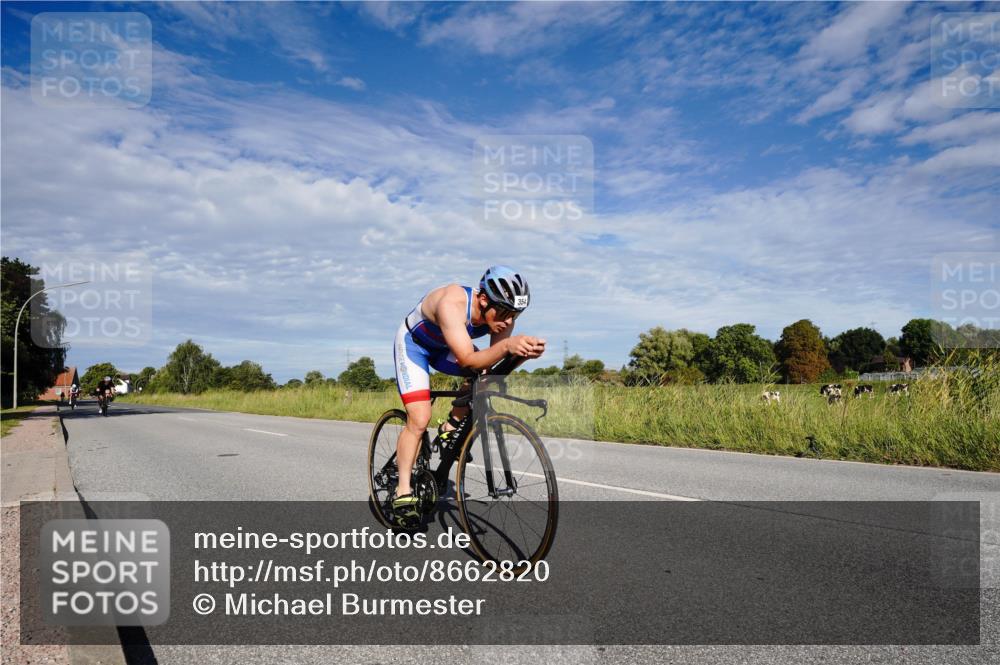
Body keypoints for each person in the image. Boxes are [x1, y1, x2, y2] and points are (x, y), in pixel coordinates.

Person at [391, 266, 545, 526]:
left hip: (446, 349)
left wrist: (520, 354)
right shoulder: (452, 302)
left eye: (515, 314)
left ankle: (450, 426)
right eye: (505, 312)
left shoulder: (502, 315)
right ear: (483, 300)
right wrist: (508, 345)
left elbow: (492, 369)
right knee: (419, 419)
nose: (508, 321)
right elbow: (468, 359)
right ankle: (403, 491)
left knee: (484, 376)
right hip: (415, 346)